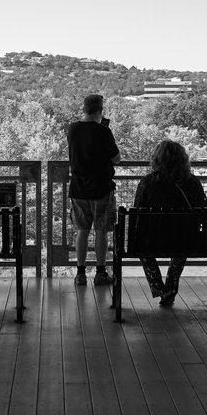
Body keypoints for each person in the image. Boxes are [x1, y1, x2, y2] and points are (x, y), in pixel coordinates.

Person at [133, 140, 207, 307]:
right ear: (183, 159)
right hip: (187, 240)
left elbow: (137, 212)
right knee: (181, 247)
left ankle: (161, 289)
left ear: (157, 160)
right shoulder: (192, 182)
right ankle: (170, 288)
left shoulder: (148, 183)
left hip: (153, 240)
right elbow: (205, 212)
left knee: (143, 251)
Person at [67, 94, 121, 286]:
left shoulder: (72, 129)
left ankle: (80, 274)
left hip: (78, 188)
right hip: (101, 188)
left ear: (84, 108)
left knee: (82, 230)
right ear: (100, 111)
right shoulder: (103, 132)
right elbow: (116, 158)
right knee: (101, 231)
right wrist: (104, 130)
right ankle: (100, 273)